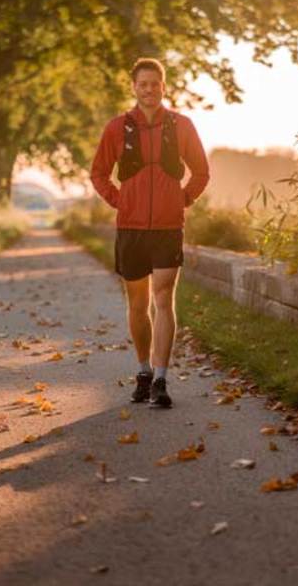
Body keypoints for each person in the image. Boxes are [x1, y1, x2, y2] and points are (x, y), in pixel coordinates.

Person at [90, 58, 209, 408]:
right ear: (134, 87)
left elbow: (201, 172)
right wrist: (120, 200)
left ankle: (161, 379)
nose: (149, 89)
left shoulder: (182, 126)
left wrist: (181, 200)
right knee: (138, 303)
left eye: (155, 83)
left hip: (168, 228)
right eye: (143, 84)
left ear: (164, 86)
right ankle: (142, 370)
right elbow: (99, 173)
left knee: (163, 297)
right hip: (131, 228)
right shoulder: (117, 128)